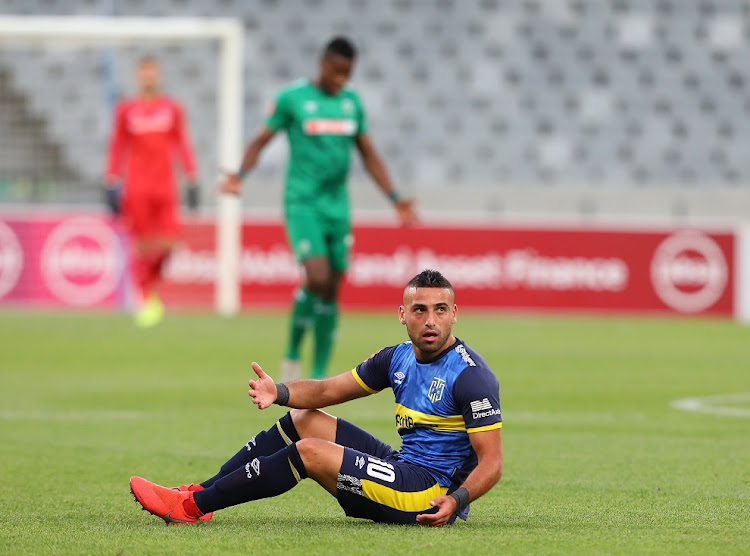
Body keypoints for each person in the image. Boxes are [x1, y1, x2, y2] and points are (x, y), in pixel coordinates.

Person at [129, 269, 503, 527]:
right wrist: (280, 392)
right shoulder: (398, 357)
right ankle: (200, 490)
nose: (431, 321)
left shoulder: (471, 377)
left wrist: (457, 501)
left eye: (440, 310)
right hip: (403, 466)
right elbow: (327, 390)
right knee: (305, 418)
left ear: (455, 314)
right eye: (420, 310)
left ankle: (190, 508)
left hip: (429, 495)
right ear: (402, 314)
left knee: (309, 451)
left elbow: (493, 462)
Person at [220, 36, 417, 380]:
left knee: (332, 285)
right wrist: (240, 174)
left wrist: (395, 197)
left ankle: (320, 374)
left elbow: (368, 154)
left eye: (348, 74)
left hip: (337, 208)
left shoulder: (352, 104)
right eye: (337, 72)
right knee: (318, 276)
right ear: (323, 64)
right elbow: (260, 141)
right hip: (303, 204)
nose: (341, 79)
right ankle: (293, 354)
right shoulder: (292, 99)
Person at [104, 55, 199, 328]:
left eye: (153, 73)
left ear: (159, 76)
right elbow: (117, 146)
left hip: (166, 186)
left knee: (170, 244)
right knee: (143, 246)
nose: (149, 78)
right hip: (137, 187)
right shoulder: (126, 110)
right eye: (144, 73)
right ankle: (146, 298)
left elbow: (182, 143)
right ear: (138, 77)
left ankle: (149, 288)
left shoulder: (172, 108)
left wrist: (192, 177)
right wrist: (111, 179)